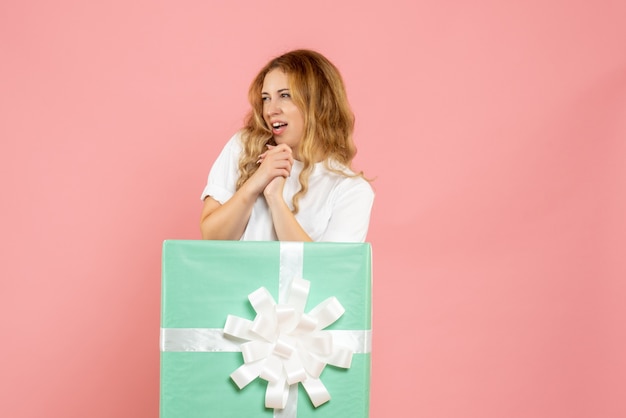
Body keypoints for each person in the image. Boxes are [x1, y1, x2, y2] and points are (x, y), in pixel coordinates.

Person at [199, 49, 374, 242]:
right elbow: (211, 237)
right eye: (266, 98)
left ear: (319, 103)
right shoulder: (244, 147)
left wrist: (275, 200)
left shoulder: (350, 190)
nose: (270, 110)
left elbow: (324, 270)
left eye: (284, 95)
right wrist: (256, 182)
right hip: (233, 274)